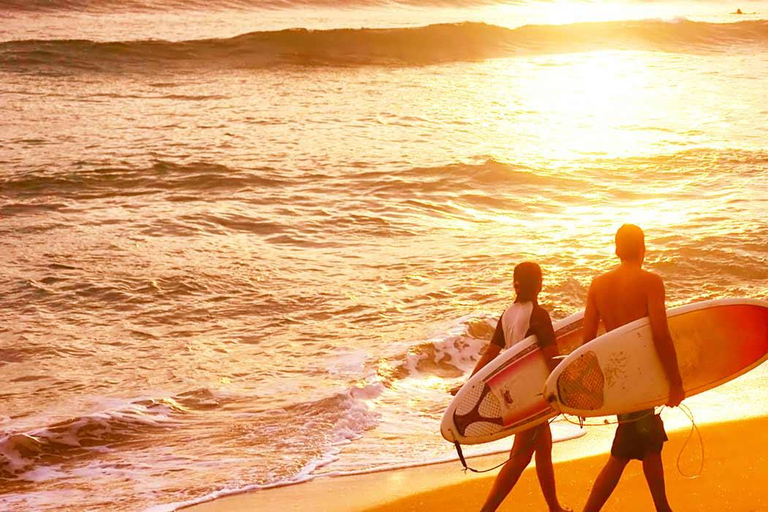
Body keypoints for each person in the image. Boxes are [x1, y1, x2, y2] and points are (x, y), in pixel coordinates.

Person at [581, 224, 685, 512]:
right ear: (643, 248)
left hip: (616, 376)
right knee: (625, 450)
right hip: (642, 376)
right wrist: (675, 381)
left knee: (647, 441)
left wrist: (586, 384)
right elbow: (660, 334)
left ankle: (664, 508)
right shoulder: (651, 282)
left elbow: (587, 341)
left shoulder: (598, 284)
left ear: (616, 249)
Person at [451, 262, 570, 512]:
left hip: (514, 392)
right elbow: (551, 358)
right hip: (533, 394)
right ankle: (487, 510)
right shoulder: (539, 315)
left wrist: (469, 385)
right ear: (539, 284)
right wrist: (565, 387)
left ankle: (554, 507)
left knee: (543, 449)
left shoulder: (508, 314)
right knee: (520, 457)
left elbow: (491, 354)